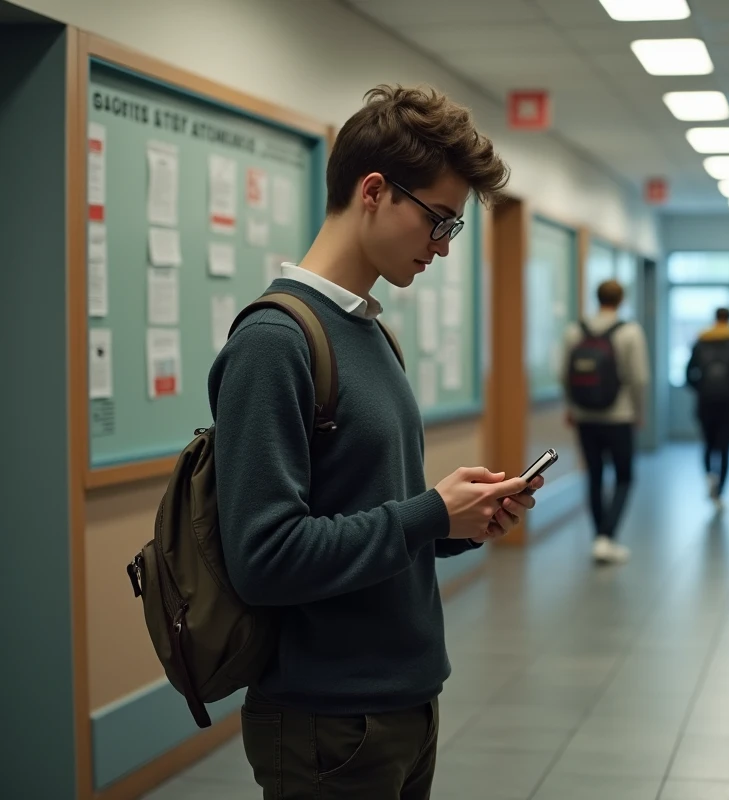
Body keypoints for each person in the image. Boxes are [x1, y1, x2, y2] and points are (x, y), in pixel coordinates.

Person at [208, 85, 543, 800]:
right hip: (327, 718)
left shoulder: (370, 333)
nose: (443, 247)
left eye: (453, 228)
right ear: (373, 191)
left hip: (405, 699)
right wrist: (429, 513)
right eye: (439, 221)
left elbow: (368, 515)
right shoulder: (274, 342)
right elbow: (265, 558)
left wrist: (455, 524)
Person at [561, 279, 650, 564]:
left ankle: (598, 536)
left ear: (597, 298)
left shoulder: (575, 330)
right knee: (624, 476)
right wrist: (639, 411)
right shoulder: (630, 331)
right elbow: (639, 378)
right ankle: (607, 536)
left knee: (594, 475)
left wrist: (571, 407)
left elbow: (564, 374)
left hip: (585, 416)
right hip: (619, 416)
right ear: (621, 300)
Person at [686, 307, 729, 509]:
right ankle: (720, 492)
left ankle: (709, 477)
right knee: (725, 448)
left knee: (707, 444)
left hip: (705, 403)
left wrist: (701, 389)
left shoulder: (701, 343)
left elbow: (688, 375)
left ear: (714, 319)